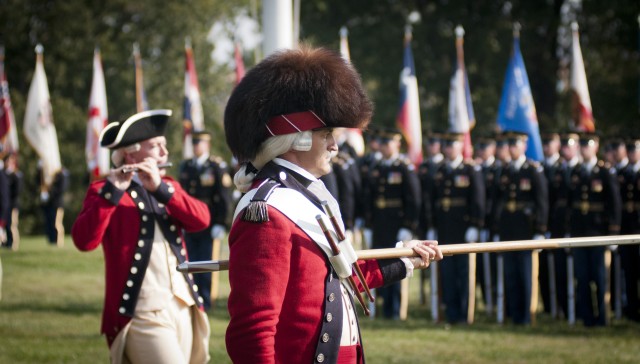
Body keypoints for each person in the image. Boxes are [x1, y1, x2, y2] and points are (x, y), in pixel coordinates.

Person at [223, 46, 442, 363]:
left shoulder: (310, 195)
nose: (335, 145)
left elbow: (341, 274)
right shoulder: (267, 210)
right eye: (325, 133)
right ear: (295, 138)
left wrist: (406, 255)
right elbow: (252, 330)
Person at [71, 109, 211, 363]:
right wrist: (112, 192)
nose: (164, 153)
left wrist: (161, 189)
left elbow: (202, 219)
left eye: (164, 146)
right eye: (156, 146)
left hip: (183, 306)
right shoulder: (103, 190)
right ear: (130, 153)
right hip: (141, 312)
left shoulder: (168, 186)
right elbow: (84, 241)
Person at [424, 132, 485, 324]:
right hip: (444, 229)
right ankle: (451, 313)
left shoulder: (470, 170)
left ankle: (465, 314)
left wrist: (475, 224)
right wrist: (432, 226)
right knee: (448, 275)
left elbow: (478, 199)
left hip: (464, 229)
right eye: (447, 145)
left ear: (461, 147)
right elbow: (433, 201)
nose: (449, 149)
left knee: (464, 274)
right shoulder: (440, 171)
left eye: (453, 145)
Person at [365, 128, 422, 320]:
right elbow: (369, 198)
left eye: (387, 143)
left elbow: (413, 199)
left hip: (397, 226)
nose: (383, 147)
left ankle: (396, 310)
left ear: (397, 145)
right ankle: (382, 307)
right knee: (378, 265)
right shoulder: (377, 167)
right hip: (380, 225)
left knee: (396, 265)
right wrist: (368, 224)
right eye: (382, 143)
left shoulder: (404, 167)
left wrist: (408, 226)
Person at [493, 131, 548, 325]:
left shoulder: (533, 170)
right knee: (511, 275)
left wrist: (540, 230)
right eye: (510, 145)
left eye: (516, 144)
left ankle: (526, 316)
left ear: (524, 146)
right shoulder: (505, 171)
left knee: (526, 276)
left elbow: (542, 201)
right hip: (509, 230)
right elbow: (498, 202)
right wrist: (497, 230)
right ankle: (514, 315)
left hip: (526, 230)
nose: (512, 148)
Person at [568, 132, 621, 327]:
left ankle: (602, 317)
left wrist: (614, 232)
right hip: (580, 233)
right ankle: (586, 317)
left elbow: (614, 204)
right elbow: (570, 204)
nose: (584, 148)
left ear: (596, 147)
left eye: (588, 144)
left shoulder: (605, 172)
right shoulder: (576, 172)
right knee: (582, 278)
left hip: (598, 233)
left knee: (599, 278)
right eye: (581, 144)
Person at [179, 130, 233, 311]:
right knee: (191, 261)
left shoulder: (216, 166)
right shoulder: (186, 167)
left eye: (199, 143)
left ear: (206, 145)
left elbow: (224, 197)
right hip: (190, 223)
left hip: (209, 223)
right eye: (194, 144)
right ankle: (192, 298)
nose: (196, 147)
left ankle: (206, 301)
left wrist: (221, 223)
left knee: (207, 262)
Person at [620, 137, 640, 321]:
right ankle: (632, 308)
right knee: (629, 271)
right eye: (630, 149)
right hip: (627, 228)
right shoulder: (622, 173)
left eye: (635, 149)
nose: (632, 153)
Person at [38, 164, 69, 246]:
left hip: (58, 204)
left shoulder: (61, 176)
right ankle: (52, 240)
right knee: (50, 223)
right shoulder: (52, 175)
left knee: (57, 223)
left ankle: (59, 241)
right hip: (51, 204)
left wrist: (50, 190)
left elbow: (60, 190)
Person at [2, 153, 22, 250]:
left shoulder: (16, 175)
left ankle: (14, 244)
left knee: (12, 225)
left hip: (13, 204)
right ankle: (7, 243)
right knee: (6, 224)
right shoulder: (4, 174)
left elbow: (17, 191)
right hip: (5, 204)